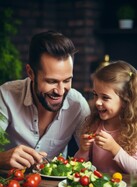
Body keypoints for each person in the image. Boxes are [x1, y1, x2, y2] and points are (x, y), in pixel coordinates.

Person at [0, 30, 90, 170]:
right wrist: (2, 158)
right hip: (9, 184)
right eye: (51, 81)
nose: (60, 91)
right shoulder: (5, 95)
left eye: (67, 80)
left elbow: (92, 156)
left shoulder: (78, 105)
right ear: (30, 73)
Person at [74, 60, 137, 173]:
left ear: (125, 101)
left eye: (105, 97)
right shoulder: (94, 125)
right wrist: (83, 150)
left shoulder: (134, 130)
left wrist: (115, 149)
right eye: (95, 95)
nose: (97, 102)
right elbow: (77, 167)